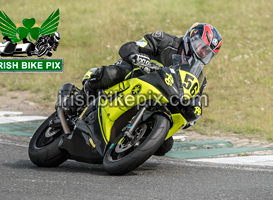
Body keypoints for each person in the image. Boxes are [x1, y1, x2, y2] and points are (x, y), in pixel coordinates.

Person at [81, 23, 222, 156]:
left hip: (159, 101)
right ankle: (78, 99)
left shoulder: (198, 77)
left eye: (208, 52)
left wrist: (192, 115)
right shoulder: (165, 41)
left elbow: (195, 99)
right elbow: (131, 46)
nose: (203, 53)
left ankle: (128, 149)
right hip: (135, 75)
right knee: (112, 74)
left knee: (165, 145)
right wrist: (135, 55)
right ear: (192, 38)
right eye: (202, 47)